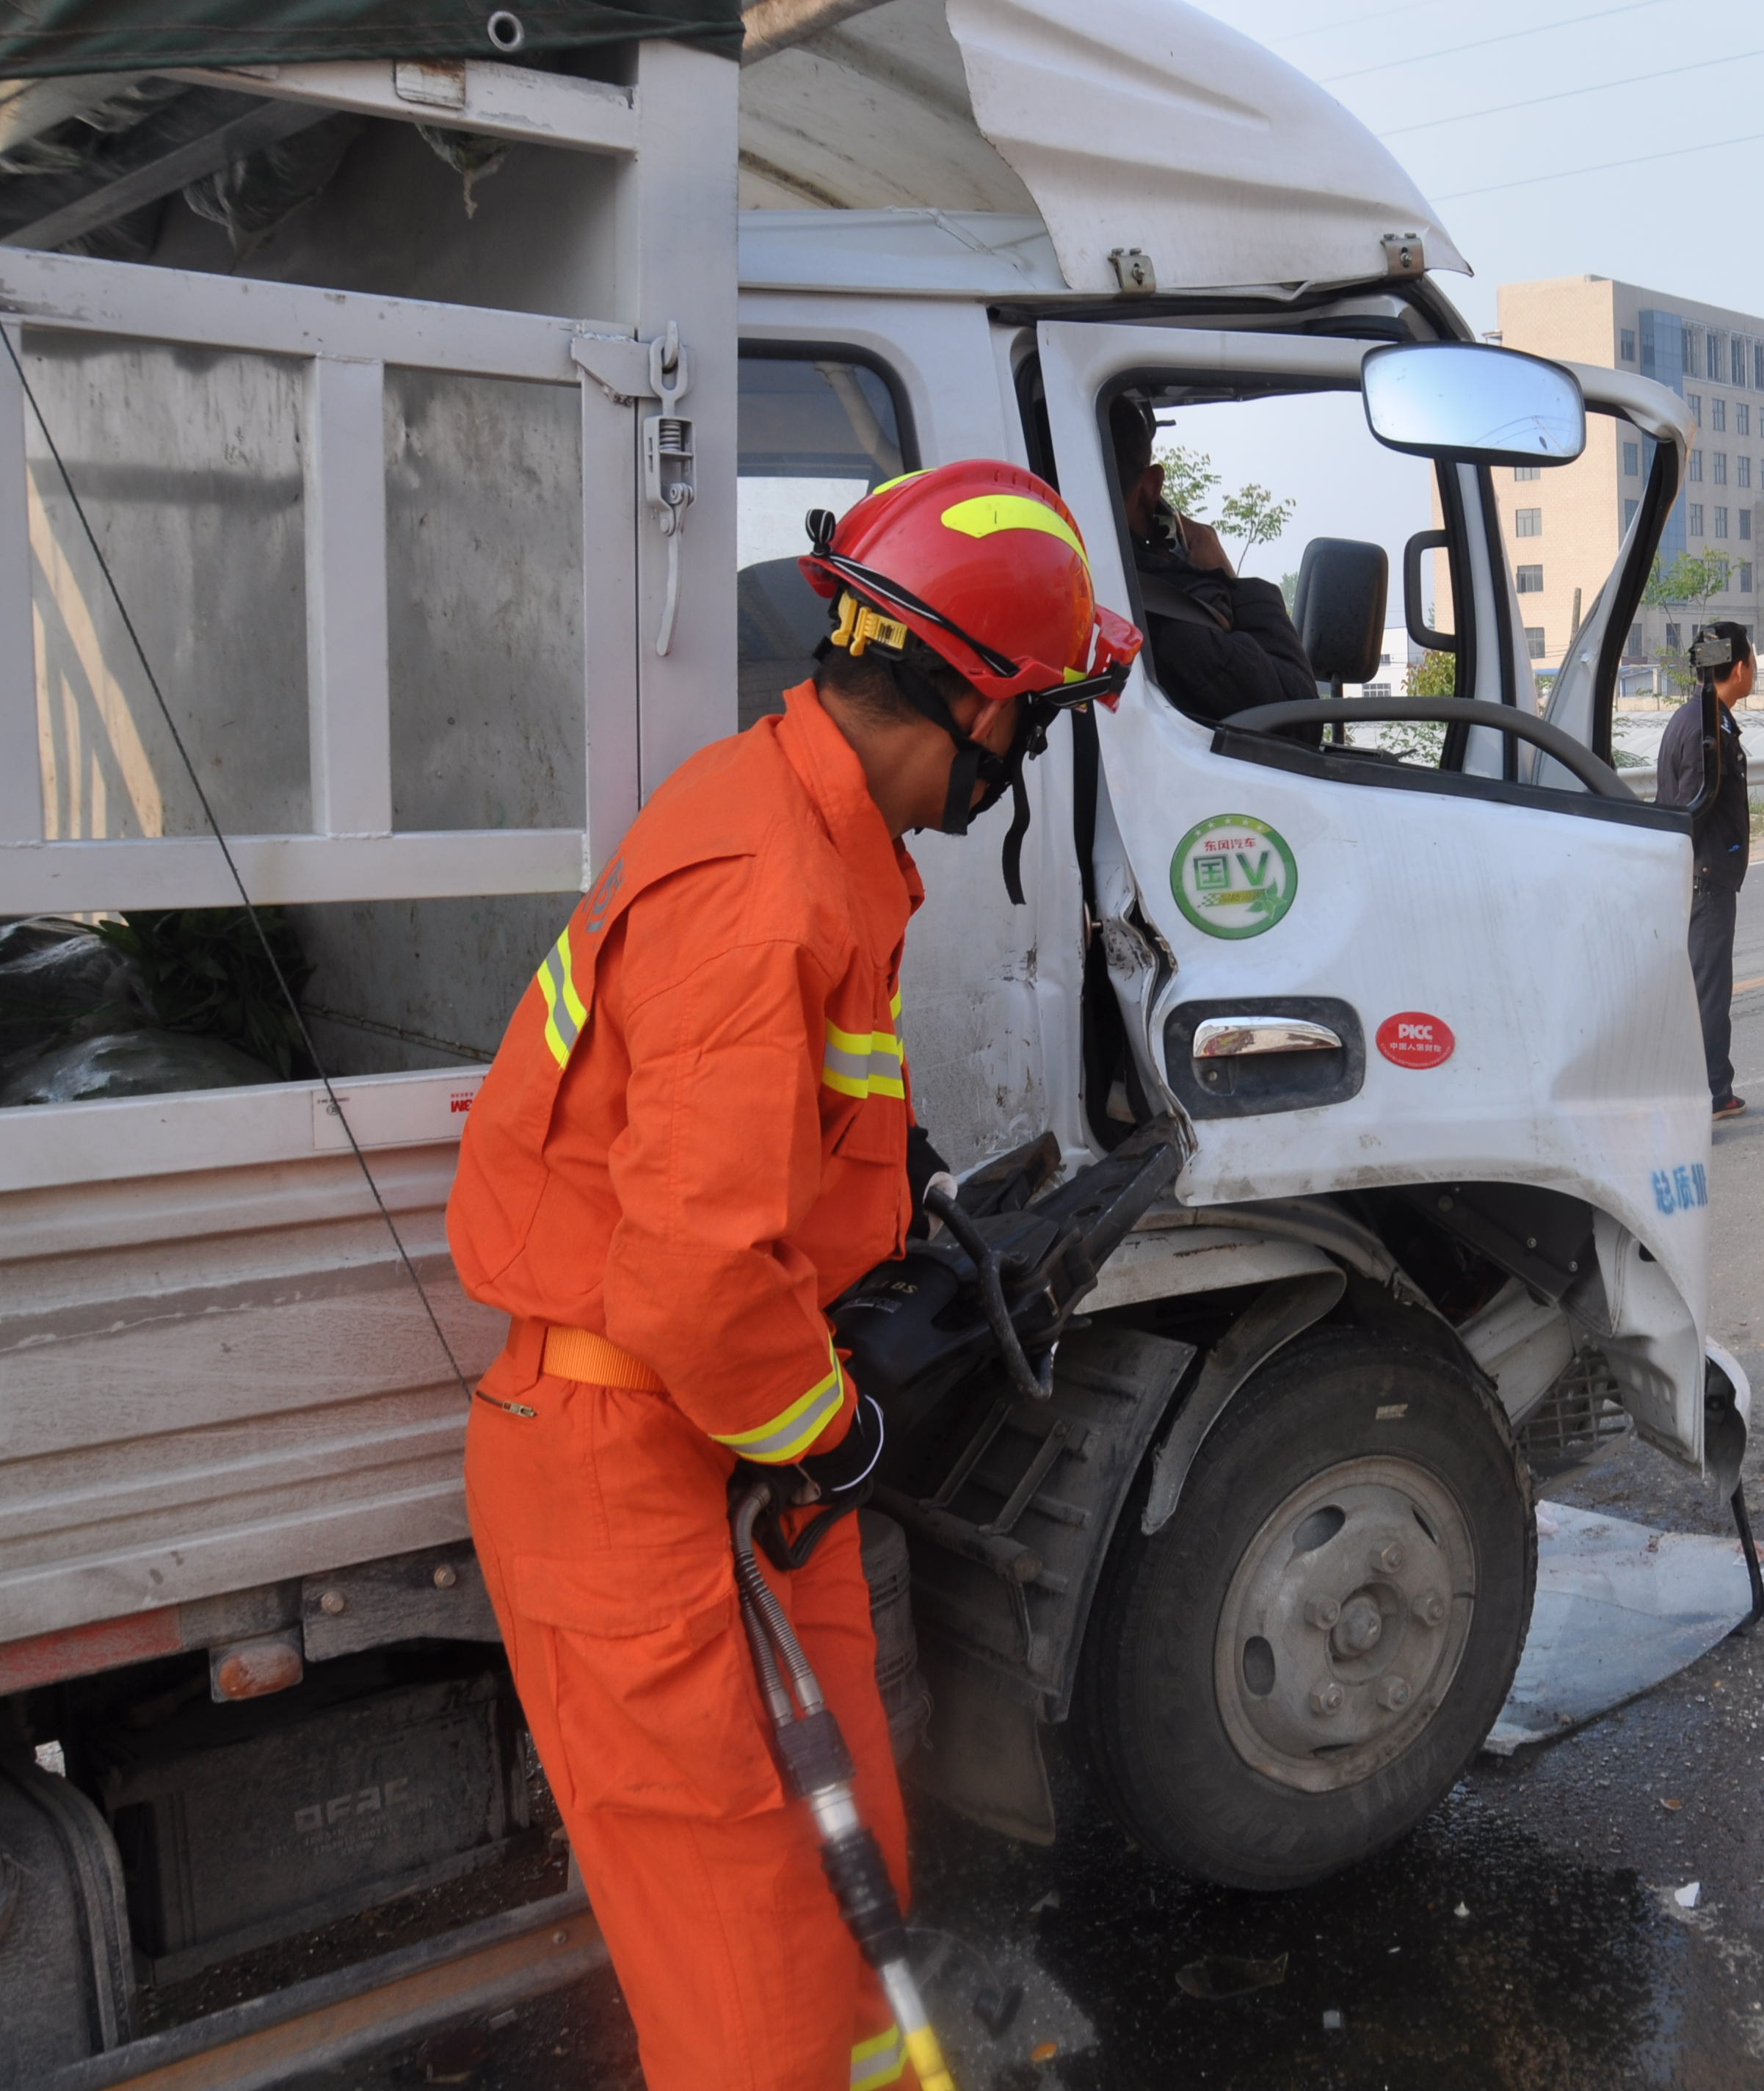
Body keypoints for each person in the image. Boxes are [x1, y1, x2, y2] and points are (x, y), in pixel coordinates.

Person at [444, 460, 1136, 2091]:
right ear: (976, 707)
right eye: (1032, 721)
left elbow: (751, 1152)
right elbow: (691, 1278)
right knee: (748, 1943)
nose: (1022, 758)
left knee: (841, 1876)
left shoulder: (790, 811)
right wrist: (823, 1426)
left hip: (731, 1434)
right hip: (640, 1449)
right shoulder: (765, 889)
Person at [1108, 391, 1316, 726]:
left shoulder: (1062, 579)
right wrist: (1229, 584)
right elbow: (1297, 716)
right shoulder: (1166, 620)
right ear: (1150, 489)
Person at [1657, 620, 1755, 1120]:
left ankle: (1710, 1085)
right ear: (1738, 669)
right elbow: (1690, 806)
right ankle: (1711, 1092)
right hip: (1706, 877)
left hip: (1701, 873)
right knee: (1709, 988)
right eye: (1751, 661)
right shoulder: (1706, 728)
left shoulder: (1697, 716)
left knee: (1704, 984)